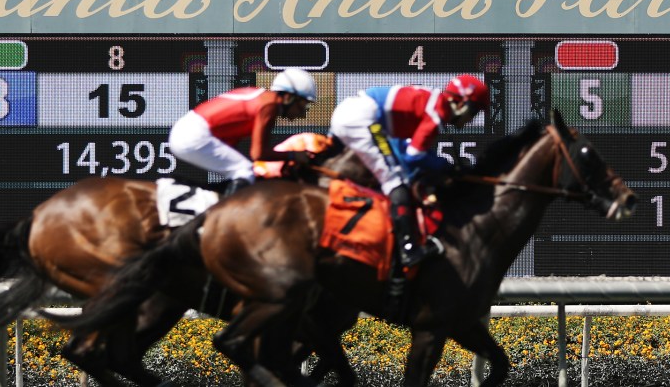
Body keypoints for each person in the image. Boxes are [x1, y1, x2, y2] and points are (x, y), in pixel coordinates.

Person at [329, 75, 490, 270]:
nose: (472, 119)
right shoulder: (438, 110)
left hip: (354, 113)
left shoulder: (431, 103)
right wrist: (447, 167)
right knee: (396, 182)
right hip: (362, 119)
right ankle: (408, 250)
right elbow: (414, 156)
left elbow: (404, 149)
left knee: (399, 176)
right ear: (464, 104)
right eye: (475, 112)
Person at [168, 68, 317, 196]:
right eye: (302, 104)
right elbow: (258, 154)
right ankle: (226, 221)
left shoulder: (263, 97)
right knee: (244, 171)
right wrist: (294, 155)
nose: (303, 112)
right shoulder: (270, 106)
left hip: (189, 130)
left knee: (240, 172)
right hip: (193, 134)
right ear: (288, 97)